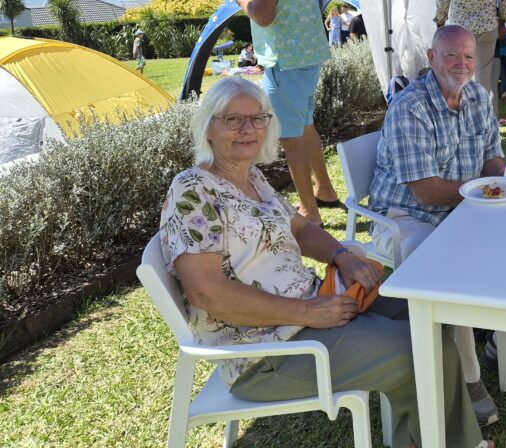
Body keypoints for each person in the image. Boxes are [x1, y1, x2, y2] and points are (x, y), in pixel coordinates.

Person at [158, 77, 486, 448]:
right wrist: (309, 313)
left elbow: (299, 228)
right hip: (266, 351)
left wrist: (342, 257)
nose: (248, 129)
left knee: (430, 315)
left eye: (258, 118)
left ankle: (419, 437)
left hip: (317, 307)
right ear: (209, 128)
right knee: (424, 349)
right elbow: (207, 293)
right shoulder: (193, 189)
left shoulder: (252, 177)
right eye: (232, 120)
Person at [368, 25, 506, 426]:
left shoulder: (477, 95)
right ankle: (468, 377)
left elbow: (492, 161)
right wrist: (487, 191)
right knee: (447, 271)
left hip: (463, 209)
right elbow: (424, 191)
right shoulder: (410, 107)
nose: (462, 64)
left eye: (469, 57)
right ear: (431, 56)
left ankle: (503, 340)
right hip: (405, 217)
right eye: (451, 55)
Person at [214, 0, 339, 225]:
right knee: (305, 124)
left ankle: (309, 211)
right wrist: (295, 3)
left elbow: (263, 16)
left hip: (285, 58)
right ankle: (324, 190)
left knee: (289, 134)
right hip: (310, 53)